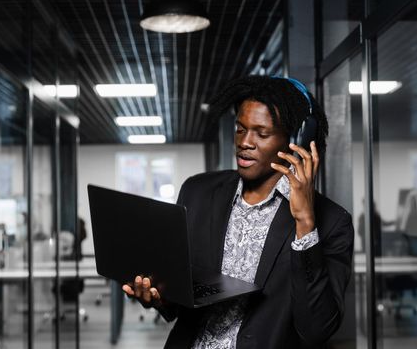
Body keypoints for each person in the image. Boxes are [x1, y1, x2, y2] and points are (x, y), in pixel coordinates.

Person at [122, 75, 354, 348]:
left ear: (296, 141)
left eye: (262, 133)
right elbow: (177, 297)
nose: (245, 142)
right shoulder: (198, 192)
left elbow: (316, 328)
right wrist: (157, 296)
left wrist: (304, 221)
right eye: (240, 129)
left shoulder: (332, 222)